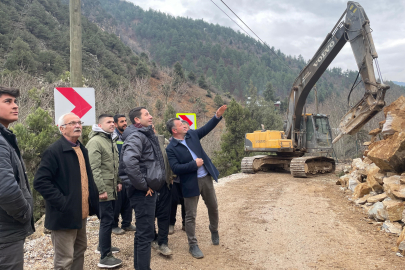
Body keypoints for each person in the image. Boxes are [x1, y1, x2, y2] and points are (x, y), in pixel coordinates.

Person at [34, 112, 99, 270]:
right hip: (64, 216)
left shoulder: (81, 149)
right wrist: (64, 203)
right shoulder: (54, 151)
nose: (77, 125)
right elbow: (40, 182)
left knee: (79, 252)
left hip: (81, 215)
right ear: (62, 129)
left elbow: (86, 179)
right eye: (72, 123)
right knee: (64, 260)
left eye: (79, 122)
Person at [166, 105, 227, 259]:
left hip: (205, 178)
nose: (184, 125)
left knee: (213, 207)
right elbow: (175, 168)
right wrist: (194, 164)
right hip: (189, 182)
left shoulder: (192, 135)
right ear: (174, 130)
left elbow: (206, 128)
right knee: (190, 215)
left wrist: (217, 116)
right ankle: (193, 245)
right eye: (180, 124)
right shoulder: (171, 148)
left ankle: (214, 230)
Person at [119, 107, 166, 270]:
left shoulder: (142, 135)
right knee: (146, 234)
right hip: (142, 192)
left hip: (144, 190)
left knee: (142, 233)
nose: (151, 116)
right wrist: (143, 185)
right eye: (147, 114)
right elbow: (130, 162)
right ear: (137, 120)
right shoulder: (137, 136)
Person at [0, 86, 35, 270]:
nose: (15, 106)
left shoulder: (5, 137)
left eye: (15, 101)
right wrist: (24, 213)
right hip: (5, 234)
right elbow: (5, 190)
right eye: (8, 101)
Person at [86, 114, 123, 268]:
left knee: (108, 219)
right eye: (108, 122)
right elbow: (94, 169)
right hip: (103, 190)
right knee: (107, 220)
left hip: (111, 187)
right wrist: (100, 190)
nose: (112, 124)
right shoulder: (95, 142)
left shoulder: (110, 140)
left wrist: (119, 181)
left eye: (112, 122)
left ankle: (103, 246)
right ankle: (105, 257)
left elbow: (116, 164)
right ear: (100, 125)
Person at [151, 125, 173, 256]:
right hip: (149, 187)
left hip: (165, 185)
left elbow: (169, 160)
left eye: (153, 127)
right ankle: (152, 238)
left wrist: (171, 176)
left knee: (164, 215)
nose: (152, 129)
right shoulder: (140, 142)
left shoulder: (163, 141)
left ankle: (163, 242)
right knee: (150, 215)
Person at [112, 114, 135, 235]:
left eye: (125, 121)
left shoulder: (129, 136)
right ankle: (114, 225)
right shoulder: (113, 138)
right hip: (118, 173)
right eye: (121, 121)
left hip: (128, 173)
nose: (125, 123)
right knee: (117, 200)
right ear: (115, 124)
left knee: (128, 199)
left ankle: (126, 223)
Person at [168, 120, 189, 235]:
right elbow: (168, 163)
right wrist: (170, 177)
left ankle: (185, 223)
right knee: (173, 202)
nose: (185, 128)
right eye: (182, 126)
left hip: (186, 178)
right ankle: (171, 223)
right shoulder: (170, 144)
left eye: (186, 127)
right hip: (174, 179)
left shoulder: (189, 142)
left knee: (186, 201)